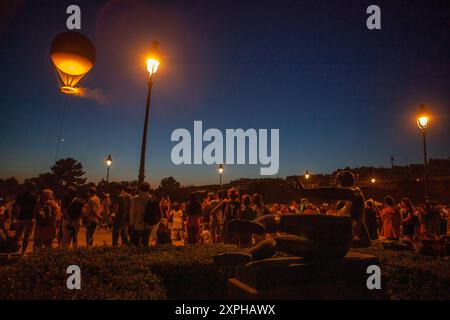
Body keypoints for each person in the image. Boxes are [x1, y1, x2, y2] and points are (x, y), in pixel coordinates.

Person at [290, 170, 371, 247]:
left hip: (339, 238)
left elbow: (331, 192)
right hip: (341, 238)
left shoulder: (355, 192)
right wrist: (346, 244)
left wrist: (305, 192)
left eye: (339, 183)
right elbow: (365, 240)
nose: (338, 186)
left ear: (341, 182)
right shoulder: (353, 205)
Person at [13, 182, 38, 254]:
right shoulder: (34, 196)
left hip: (21, 217)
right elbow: (36, 208)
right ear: (33, 188)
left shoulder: (20, 195)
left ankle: (9, 251)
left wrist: (15, 216)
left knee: (17, 236)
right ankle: (22, 253)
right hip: (30, 218)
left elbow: (15, 205)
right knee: (26, 237)